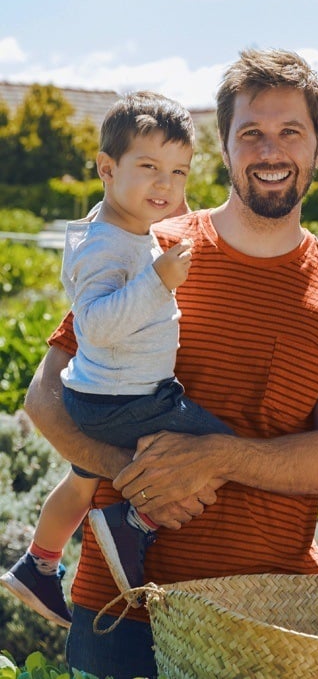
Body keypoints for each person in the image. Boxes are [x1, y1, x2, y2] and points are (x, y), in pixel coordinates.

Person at [21, 49, 318, 679]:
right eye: (252, 133)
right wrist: (131, 470)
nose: (271, 151)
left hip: (268, 621)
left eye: (290, 132)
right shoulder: (151, 246)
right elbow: (45, 396)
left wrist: (215, 457)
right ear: (224, 145)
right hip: (123, 616)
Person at [0, 92, 241, 629]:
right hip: (127, 399)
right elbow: (96, 325)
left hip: (100, 395)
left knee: (81, 481)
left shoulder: (115, 226)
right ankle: (134, 521)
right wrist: (158, 282)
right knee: (219, 451)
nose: (166, 186)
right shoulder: (108, 247)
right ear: (107, 169)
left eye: (178, 172)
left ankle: (38, 563)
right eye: (149, 168)